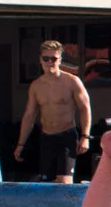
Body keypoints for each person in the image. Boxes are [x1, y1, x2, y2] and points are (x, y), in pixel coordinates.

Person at [15, 40, 93, 184]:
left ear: (60, 60)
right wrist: (21, 144)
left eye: (54, 59)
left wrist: (85, 136)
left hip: (66, 136)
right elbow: (29, 116)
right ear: (40, 60)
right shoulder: (36, 86)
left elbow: (84, 108)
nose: (50, 62)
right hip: (47, 138)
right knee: (47, 183)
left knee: (65, 182)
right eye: (46, 58)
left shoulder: (72, 81)